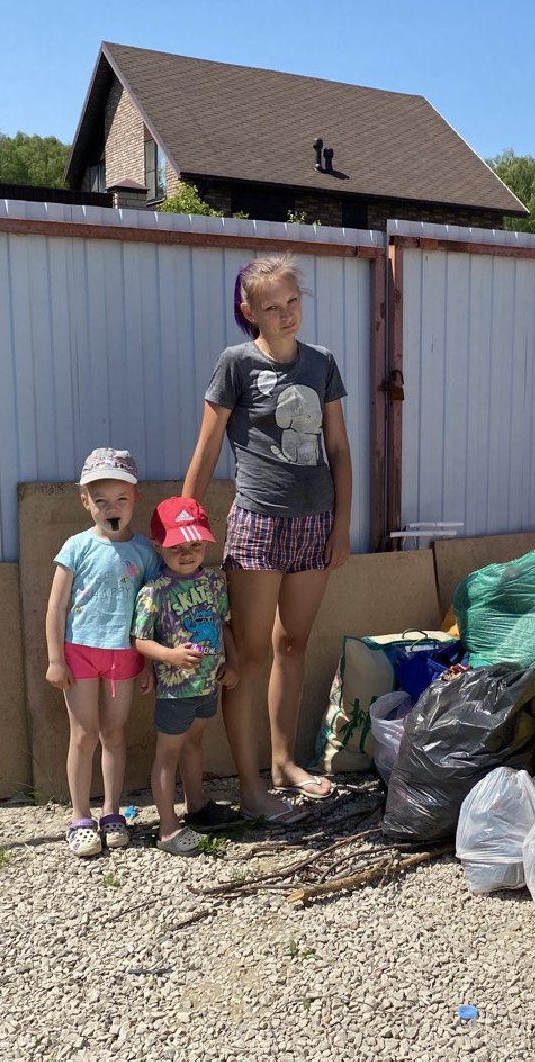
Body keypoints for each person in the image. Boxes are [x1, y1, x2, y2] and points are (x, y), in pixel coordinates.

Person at [182, 254, 353, 823]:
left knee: (292, 644)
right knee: (250, 656)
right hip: (257, 524)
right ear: (248, 311)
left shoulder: (322, 363)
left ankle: (284, 764)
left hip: (315, 525)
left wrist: (342, 526)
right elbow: (207, 448)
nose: (285, 315)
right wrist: (186, 522)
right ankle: (252, 787)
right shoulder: (235, 365)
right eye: (272, 306)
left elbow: (340, 449)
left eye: (293, 302)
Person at [45, 448, 162, 858]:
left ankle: (112, 812)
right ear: (85, 502)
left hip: (123, 656)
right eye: (101, 500)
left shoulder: (146, 553)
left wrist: (147, 662)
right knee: (84, 734)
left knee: (114, 733)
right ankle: (80, 817)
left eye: (121, 499)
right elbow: (56, 605)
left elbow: (149, 613)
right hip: (79, 654)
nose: (111, 508)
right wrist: (55, 659)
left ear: (135, 497)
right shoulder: (76, 546)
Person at [132, 497, 239, 856]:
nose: (187, 552)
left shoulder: (214, 582)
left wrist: (233, 663)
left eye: (194, 544)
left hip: (208, 684)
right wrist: (170, 656)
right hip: (175, 691)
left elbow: (225, 627)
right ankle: (166, 827)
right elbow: (139, 640)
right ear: (158, 547)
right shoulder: (154, 591)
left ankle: (198, 806)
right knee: (168, 753)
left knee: (195, 743)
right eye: (177, 546)